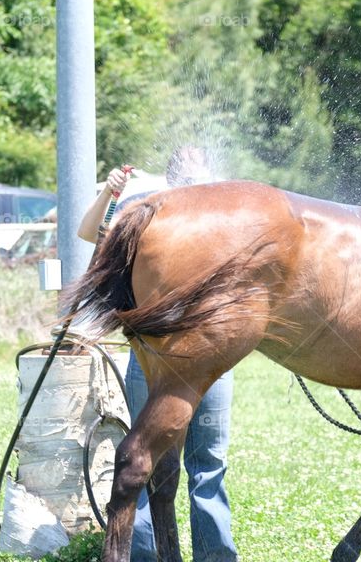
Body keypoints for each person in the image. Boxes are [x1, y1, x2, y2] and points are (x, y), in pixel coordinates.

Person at [77, 147, 238, 562]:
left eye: (201, 179)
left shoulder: (226, 225)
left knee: (208, 464)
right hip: (151, 359)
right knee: (145, 458)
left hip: (213, 363)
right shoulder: (149, 213)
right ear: (173, 180)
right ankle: (145, 554)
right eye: (188, 179)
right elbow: (88, 232)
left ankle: (214, 556)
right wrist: (108, 195)